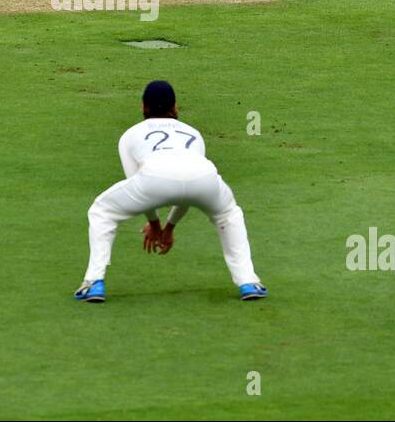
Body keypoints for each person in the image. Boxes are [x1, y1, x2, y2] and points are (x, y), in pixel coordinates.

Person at [75, 80, 266, 303]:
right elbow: (187, 186)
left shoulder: (130, 135)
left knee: (102, 211)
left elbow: (136, 182)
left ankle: (94, 282)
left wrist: (155, 225)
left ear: (143, 107)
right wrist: (170, 226)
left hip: (155, 178)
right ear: (175, 106)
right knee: (228, 215)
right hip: (205, 177)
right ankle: (248, 281)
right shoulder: (193, 133)